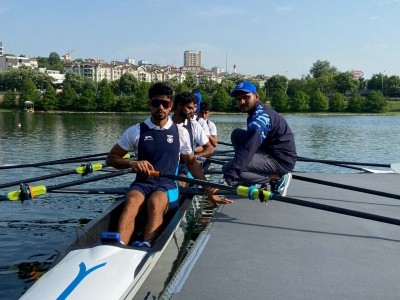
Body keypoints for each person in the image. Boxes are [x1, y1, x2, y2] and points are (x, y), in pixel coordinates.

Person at [106, 82, 232, 247]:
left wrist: (207, 189)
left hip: (168, 184)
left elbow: (192, 163)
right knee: (131, 201)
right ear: (149, 105)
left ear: (170, 106)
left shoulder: (180, 132)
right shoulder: (136, 131)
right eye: (156, 103)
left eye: (165, 104)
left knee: (156, 201)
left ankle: (146, 245)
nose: (160, 107)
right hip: (142, 183)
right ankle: (118, 247)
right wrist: (132, 162)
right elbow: (111, 158)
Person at [221, 81, 297, 196]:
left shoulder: (260, 118)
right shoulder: (256, 111)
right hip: (271, 152)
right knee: (237, 134)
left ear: (256, 96)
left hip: (281, 161)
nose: (241, 102)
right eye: (238, 99)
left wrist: (228, 178)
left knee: (227, 169)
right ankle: (249, 178)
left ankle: (277, 178)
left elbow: (248, 149)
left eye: (246, 97)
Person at [172, 92, 213, 187]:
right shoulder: (166, 123)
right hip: (169, 163)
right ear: (179, 106)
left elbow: (209, 148)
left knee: (180, 183)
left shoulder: (194, 125)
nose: (193, 111)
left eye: (194, 107)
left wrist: (195, 156)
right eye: (190, 108)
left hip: (185, 164)